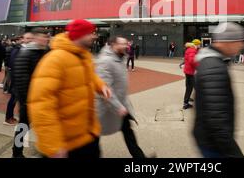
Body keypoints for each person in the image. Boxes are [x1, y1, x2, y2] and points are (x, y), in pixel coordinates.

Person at [28, 19, 112, 158]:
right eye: (90, 33)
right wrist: (53, 145)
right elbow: (41, 105)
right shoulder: (55, 60)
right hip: (67, 143)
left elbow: (89, 75)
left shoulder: (83, 55)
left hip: (88, 134)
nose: (94, 36)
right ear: (79, 35)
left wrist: (101, 86)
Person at [193, 22, 244, 158]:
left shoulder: (214, 62)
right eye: (238, 41)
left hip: (209, 139)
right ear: (226, 42)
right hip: (214, 143)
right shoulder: (214, 68)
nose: (242, 45)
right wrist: (234, 153)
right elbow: (216, 118)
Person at [96, 36, 148, 158]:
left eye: (126, 43)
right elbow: (105, 88)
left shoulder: (120, 58)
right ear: (113, 45)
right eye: (122, 44)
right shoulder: (105, 61)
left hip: (120, 104)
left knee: (128, 131)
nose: (126, 46)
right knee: (94, 135)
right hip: (106, 107)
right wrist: (118, 106)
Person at [11, 28, 50, 157]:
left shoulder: (45, 52)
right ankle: (17, 153)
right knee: (23, 127)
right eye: (43, 37)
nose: (46, 39)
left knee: (46, 127)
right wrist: (26, 102)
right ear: (35, 38)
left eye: (47, 37)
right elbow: (21, 81)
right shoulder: (26, 53)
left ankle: (46, 150)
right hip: (28, 101)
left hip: (44, 99)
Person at [3, 35, 26, 126]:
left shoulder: (17, 49)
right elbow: (13, 64)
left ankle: (10, 117)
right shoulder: (17, 50)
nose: (26, 41)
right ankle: (8, 118)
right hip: (17, 79)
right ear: (19, 40)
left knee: (14, 99)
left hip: (17, 78)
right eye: (25, 39)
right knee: (13, 99)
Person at [183, 39, 200, 110]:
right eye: (199, 44)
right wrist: (198, 66)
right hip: (190, 72)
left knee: (189, 87)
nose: (200, 45)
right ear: (196, 44)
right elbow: (192, 60)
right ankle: (186, 104)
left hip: (188, 71)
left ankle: (186, 101)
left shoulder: (190, 49)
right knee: (196, 86)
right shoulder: (192, 50)